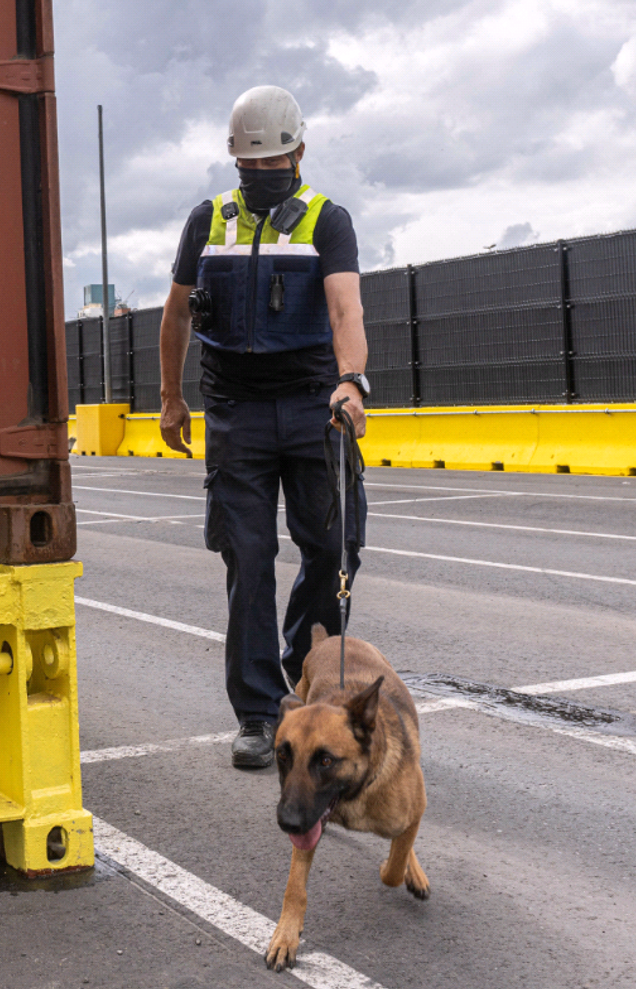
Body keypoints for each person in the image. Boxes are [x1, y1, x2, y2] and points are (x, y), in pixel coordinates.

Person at [157, 85, 370, 770]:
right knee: (248, 560)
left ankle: (314, 684)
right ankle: (257, 711)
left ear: (299, 155)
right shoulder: (208, 220)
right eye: (256, 164)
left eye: (272, 162)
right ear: (236, 160)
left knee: (333, 550)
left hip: (314, 407)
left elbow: (345, 310)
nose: (264, 173)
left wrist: (350, 379)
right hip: (238, 415)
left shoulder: (326, 221)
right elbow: (177, 313)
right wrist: (170, 398)